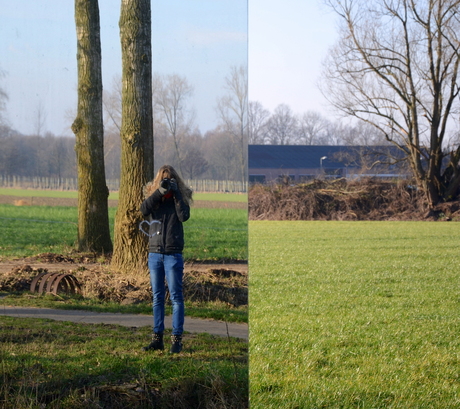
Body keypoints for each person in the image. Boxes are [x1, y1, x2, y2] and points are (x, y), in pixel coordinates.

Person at [140, 165, 193, 353]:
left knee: (176, 298)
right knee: (157, 298)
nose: (167, 183)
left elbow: (183, 216)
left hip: (172, 254)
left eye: (170, 180)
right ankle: (157, 339)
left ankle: (176, 340)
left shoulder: (180, 199)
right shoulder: (155, 199)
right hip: (154, 253)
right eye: (164, 180)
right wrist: (159, 192)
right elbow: (143, 210)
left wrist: (177, 194)